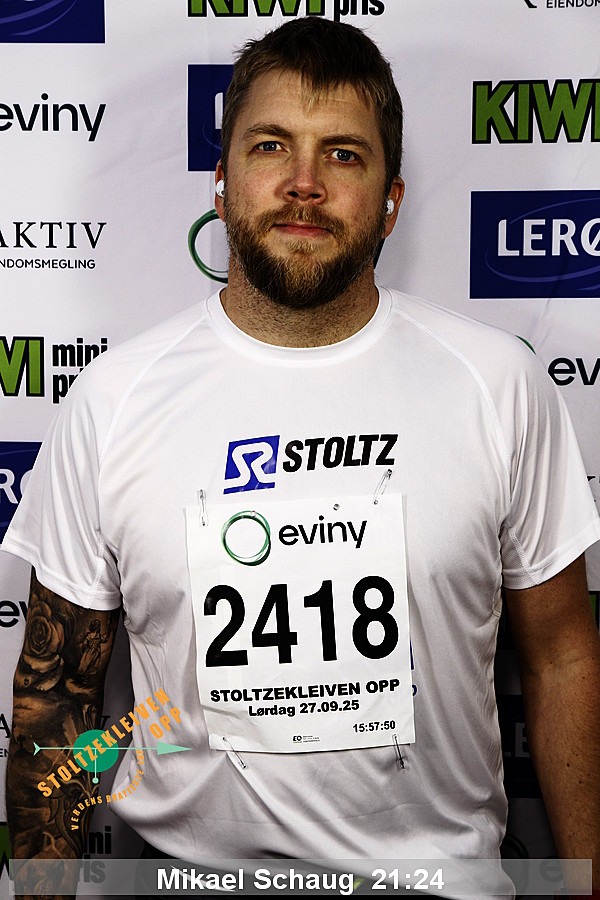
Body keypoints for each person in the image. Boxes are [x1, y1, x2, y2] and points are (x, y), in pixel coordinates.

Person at [4, 15, 600, 898]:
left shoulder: (497, 384)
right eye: (271, 146)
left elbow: (561, 657)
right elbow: (59, 694)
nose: (304, 184)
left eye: (343, 155)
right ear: (221, 182)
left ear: (391, 199)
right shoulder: (112, 400)